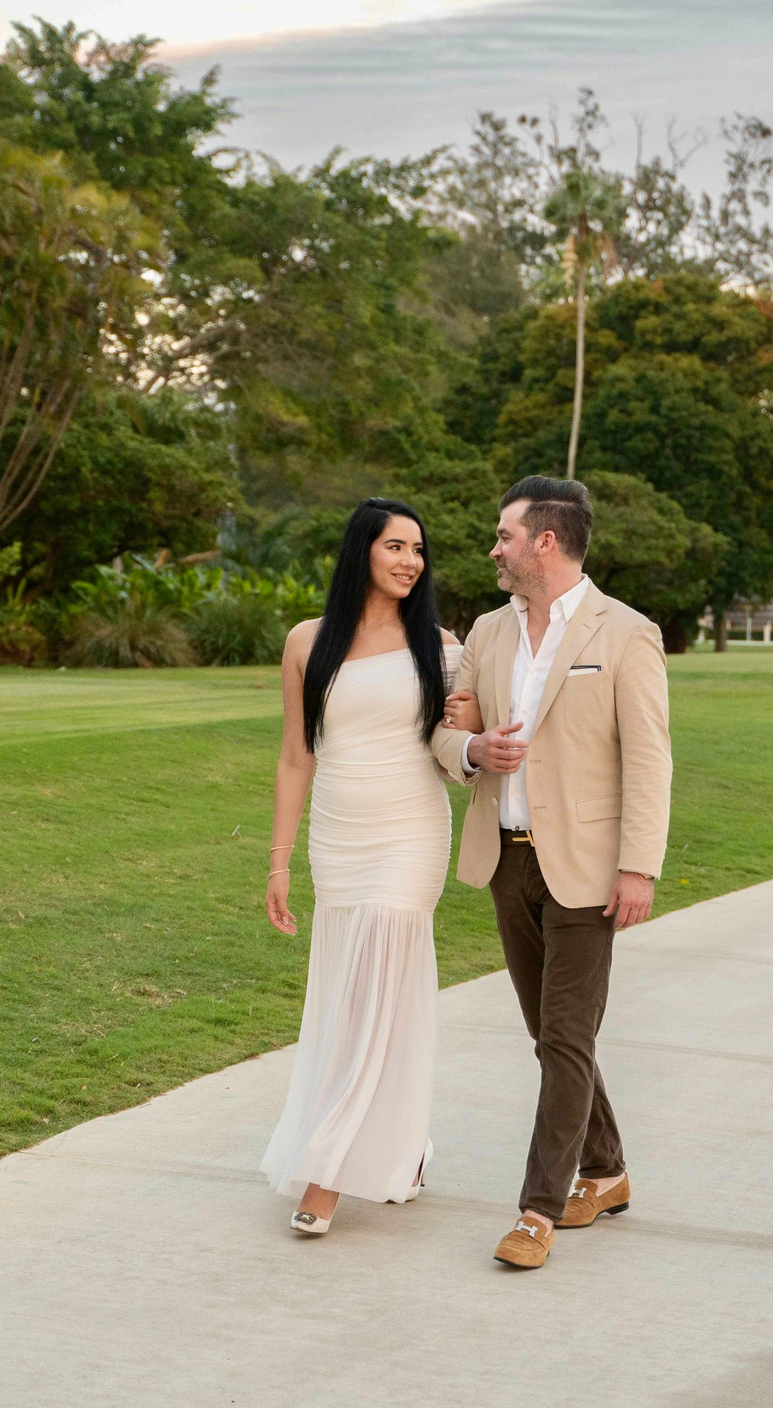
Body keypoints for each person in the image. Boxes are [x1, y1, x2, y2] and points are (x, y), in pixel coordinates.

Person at [435, 476, 672, 1269]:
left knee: (567, 1034)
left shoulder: (627, 633)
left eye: (504, 536)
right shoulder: (486, 632)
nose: (493, 550)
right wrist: (474, 750)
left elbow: (649, 759)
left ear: (545, 542)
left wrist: (638, 867)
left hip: (589, 868)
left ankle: (538, 1211)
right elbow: (446, 732)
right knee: (550, 1035)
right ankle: (606, 1170)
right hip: (507, 860)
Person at [259, 499, 466, 1235]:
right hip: (338, 837)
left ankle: (327, 1173)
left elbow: (456, 747)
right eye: (396, 546)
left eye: (418, 549)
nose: (411, 561)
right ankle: (406, 1147)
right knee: (358, 995)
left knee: (377, 977)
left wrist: (474, 729)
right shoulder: (306, 641)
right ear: (362, 552)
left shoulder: (441, 646)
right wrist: (279, 862)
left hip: (411, 831)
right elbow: (296, 756)